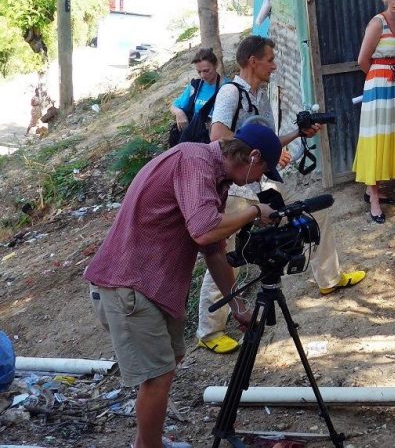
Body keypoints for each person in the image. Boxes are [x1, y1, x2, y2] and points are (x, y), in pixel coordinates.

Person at [85, 122, 283, 448]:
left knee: (169, 364)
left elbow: (213, 250)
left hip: (153, 286)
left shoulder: (215, 178)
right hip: (128, 284)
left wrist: (236, 304)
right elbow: (204, 231)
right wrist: (252, 211)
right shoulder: (194, 161)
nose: (258, 181)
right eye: (262, 172)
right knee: (157, 377)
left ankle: (149, 441)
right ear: (253, 156)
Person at [196, 36, 366, 354]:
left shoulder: (260, 95)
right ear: (252, 61)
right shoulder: (230, 93)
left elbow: (266, 140)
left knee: (315, 212)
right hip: (235, 187)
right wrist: (260, 150)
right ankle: (209, 329)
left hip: (260, 182)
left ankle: (329, 277)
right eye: (270, 59)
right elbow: (217, 137)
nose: (274, 65)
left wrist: (297, 135)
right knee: (226, 253)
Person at [352, 0, 395, 224]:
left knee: (391, 135)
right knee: (376, 137)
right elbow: (362, 60)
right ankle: (374, 198)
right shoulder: (378, 22)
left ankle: (373, 189)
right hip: (380, 85)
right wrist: (379, 79)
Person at [169, 48, 227, 146]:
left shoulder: (228, 87)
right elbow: (174, 106)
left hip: (215, 141)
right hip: (194, 138)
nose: (203, 75)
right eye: (199, 72)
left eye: (206, 70)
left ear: (216, 65)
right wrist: (179, 113)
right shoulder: (195, 86)